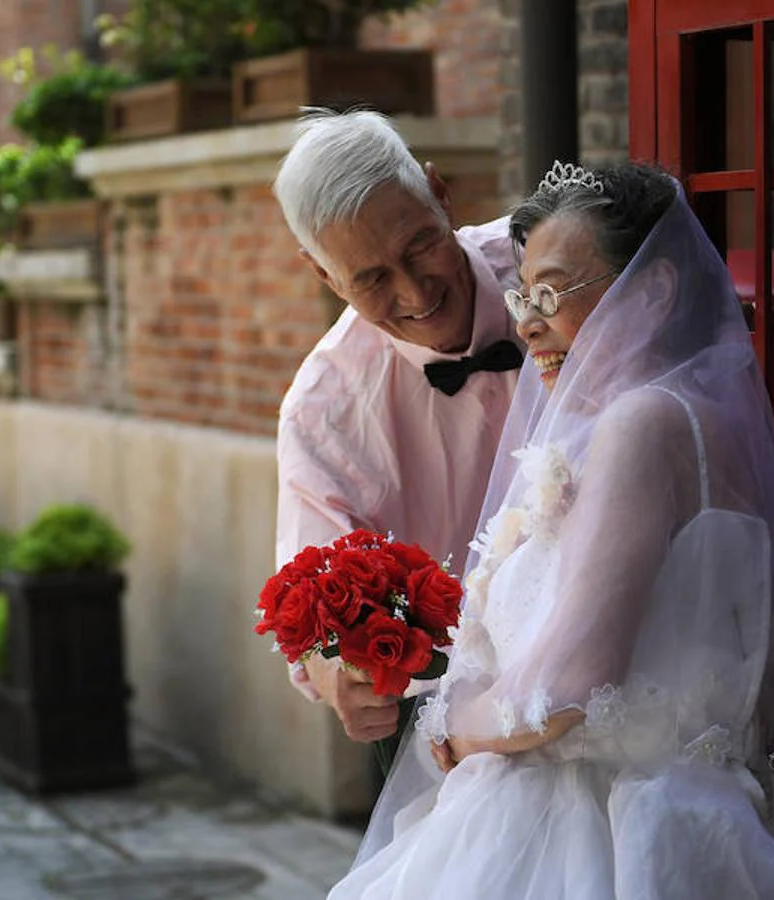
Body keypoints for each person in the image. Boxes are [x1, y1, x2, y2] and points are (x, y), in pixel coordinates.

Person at [326, 161, 774, 899]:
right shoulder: (674, 418)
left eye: (550, 291)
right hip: (663, 814)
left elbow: (568, 684)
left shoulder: (640, 422)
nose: (525, 321)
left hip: (591, 832)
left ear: (652, 291)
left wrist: (451, 732)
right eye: (522, 293)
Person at [271, 109, 523, 755]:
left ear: (440, 194)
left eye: (419, 246)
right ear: (324, 276)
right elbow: (315, 608)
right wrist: (340, 680)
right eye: (372, 278)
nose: (415, 292)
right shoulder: (321, 411)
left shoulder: (552, 275)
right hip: (442, 723)